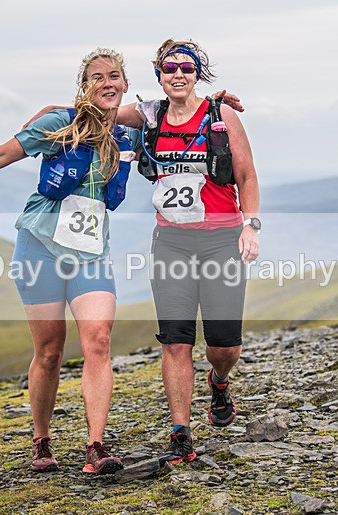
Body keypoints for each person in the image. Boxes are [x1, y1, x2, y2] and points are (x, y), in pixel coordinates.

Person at [0, 48, 142, 475]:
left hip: (91, 251)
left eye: (115, 76)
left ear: (126, 84)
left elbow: (177, 126)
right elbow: (2, 153)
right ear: (85, 86)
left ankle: (96, 446)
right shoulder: (61, 124)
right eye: (97, 77)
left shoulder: (132, 135)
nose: (107, 83)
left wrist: (215, 105)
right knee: (50, 350)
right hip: (39, 244)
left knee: (97, 339)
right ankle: (41, 440)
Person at [115, 39, 260, 464]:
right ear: (159, 75)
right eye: (169, 68)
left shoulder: (221, 115)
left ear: (198, 73)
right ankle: (181, 433)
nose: (178, 74)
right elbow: (98, 112)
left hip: (221, 239)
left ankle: (219, 381)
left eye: (186, 67)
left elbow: (247, 176)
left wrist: (251, 227)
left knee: (223, 345)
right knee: (176, 341)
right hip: (171, 241)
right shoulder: (149, 115)